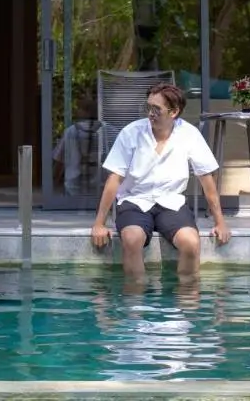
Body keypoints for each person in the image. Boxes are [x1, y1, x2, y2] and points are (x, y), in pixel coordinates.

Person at [89, 83, 229, 280]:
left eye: (157, 109)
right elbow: (114, 178)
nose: (150, 114)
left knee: (191, 242)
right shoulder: (131, 132)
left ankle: (186, 303)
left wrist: (220, 222)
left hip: (171, 202)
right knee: (131, 239)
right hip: (135, 201)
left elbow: (206, 179)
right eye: (149, 108)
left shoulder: (189, 135)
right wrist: (99, 223)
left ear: (174, 112)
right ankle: (135, 304)